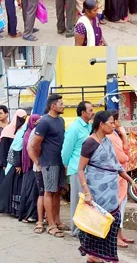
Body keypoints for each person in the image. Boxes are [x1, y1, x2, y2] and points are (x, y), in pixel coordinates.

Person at [77, 111, 136, 263]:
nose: (113, 125)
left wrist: (130, 180)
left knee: (112, 221)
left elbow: (115, 165)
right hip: (96, 191)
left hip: (111, 191)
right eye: (110, 122)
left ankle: (101, 256)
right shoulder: (90, 143)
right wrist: (87, 192)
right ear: (101, 124)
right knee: (97, 223)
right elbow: (80, 169)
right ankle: (94, 255)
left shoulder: (107, 141)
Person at [29, 95, 68, 238]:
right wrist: (41, 159)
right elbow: (35, 144)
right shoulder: (44, 122)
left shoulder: (60, 120)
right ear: (53, 106)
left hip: (60, 161)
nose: (63, 106)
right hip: (49, 162)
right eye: (61, 104)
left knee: (58, 192)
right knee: (49, 192)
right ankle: (51, 225)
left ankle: (57, 221)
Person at [60, 101, 94, 237]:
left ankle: (85, 228)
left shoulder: (88, 127)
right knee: (77, 201)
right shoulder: (74, 128)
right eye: (90, 110)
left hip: (88, 169)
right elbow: (66, 151)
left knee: (87, 200)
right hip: (76, 169)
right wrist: (68, 165)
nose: (93, 112)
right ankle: (76, 230)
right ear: (83, 113)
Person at [105, 111, 134, 248]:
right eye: (116, 120)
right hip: (117, 174)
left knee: (122, 204)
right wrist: (125, 137)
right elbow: (123, 156)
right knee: (117, 206)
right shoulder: (112, 136)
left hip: (121, 174)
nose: (119, 122)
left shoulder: (115, 134)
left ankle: (120, 234)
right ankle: (115, 236)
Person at [0, 109, 27, 215]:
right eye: (20, 118)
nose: (22, 120)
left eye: (24, 118)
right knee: (6, 185)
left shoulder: (22, 130)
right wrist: (3, 163)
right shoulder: (7, 130)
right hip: (8, 163)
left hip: (18, 163)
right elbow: (3, 149)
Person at [18, 114, 40, 223]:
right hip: (30, 166)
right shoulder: (28, 134)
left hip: (31, 166)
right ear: (32, 122)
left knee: (34, 192)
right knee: (30, 192)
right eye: (36, 121)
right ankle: (27, 215)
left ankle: (32, 214)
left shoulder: (30, 133)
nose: (38, 122)